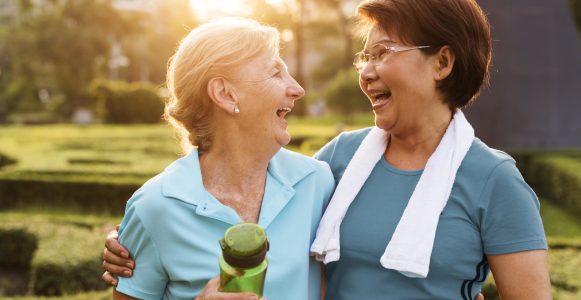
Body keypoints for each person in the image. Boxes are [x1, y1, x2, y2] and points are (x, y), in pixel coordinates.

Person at [104, 0, 552, 299]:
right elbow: (247, 191)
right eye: (365, 57)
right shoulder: (336, 163)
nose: (367, 72)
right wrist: (132, 242)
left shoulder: (494, 182)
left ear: (443, 62)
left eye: (382, 53)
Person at [108, 17, 335, 300]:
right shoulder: (154, 207)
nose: (298, 89)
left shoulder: (317, 183)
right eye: (276, 73)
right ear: (225, 94)